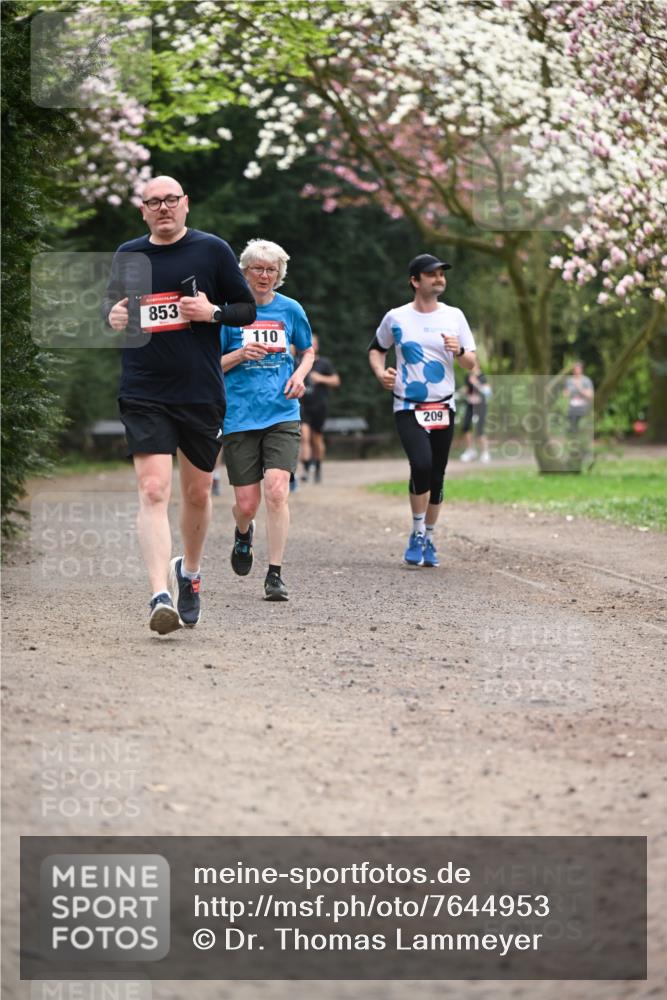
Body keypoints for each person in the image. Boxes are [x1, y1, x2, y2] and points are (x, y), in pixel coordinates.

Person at [103, 176, 256, 634]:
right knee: (153, 490)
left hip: (199, 390)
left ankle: (188, 573)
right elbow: (112, 311)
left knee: (196, 492)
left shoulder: (212, 251)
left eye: (171, 200)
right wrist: (111, 316)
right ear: (143, 211)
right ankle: (158, 595)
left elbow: (245, 309)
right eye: (154, 202)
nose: (163, 207)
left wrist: (213, 314)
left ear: (185, 204)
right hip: (144, 388)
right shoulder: (129, 255)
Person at [220, 239, 314, 601]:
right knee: (247, 504)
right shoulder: (229, 312)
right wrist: (241, 354)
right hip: (240, 414)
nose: (264, 275)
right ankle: (243, 532)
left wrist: (301, 375)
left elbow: (307, 350)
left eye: (271, 269)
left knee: (276, 490)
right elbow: (211, 363)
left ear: (280, 275)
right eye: (257, 268)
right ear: (244, 272)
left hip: (282, 412)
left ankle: (275, 574)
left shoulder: (290, 310)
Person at [368, 253, 476, 568]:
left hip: (443, 404)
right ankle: (416, 531)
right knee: (421, 463)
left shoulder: (454, 315)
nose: (439, 278)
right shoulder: (396, 317)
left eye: (441, 273)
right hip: (408, 404)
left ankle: (429, 536)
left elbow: (471, 363)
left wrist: (459, 351)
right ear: (415, 281)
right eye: (431, 274)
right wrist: (380, 372)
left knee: (438, 475)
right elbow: (377, 348)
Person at [299, 334, 341, 483]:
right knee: (304, 437)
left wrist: (321, 378)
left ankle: (317, 468)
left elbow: (336, 381)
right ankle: (305, 469)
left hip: (319, 406)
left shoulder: (324, 363)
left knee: (316, 439)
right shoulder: (298, 362)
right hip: (303, 406)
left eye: (313, 343)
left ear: (317, 346)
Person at [460, 360, 491, 463]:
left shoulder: (482, 377)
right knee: (466, 427)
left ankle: (485, 452)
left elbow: (487, 392)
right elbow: (467, 391)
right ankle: (470, 451)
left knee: (479, 429)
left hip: (481, 406)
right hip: (470, 406)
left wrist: (476, 383)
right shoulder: (467, 377)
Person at [563, 360, 594, 432]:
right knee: (570, 412)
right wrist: (566, 393)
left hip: (583, 404)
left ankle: (575, 430)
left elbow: (590, 395)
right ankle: (573, 430)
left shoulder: (586, 380)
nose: (576, 371)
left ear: (581, 370)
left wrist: (580, 388)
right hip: (571, 403)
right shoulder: (569, 381)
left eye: (578, 369)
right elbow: (565, 394)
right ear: (573, 370)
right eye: (575, 369)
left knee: (574, 413)